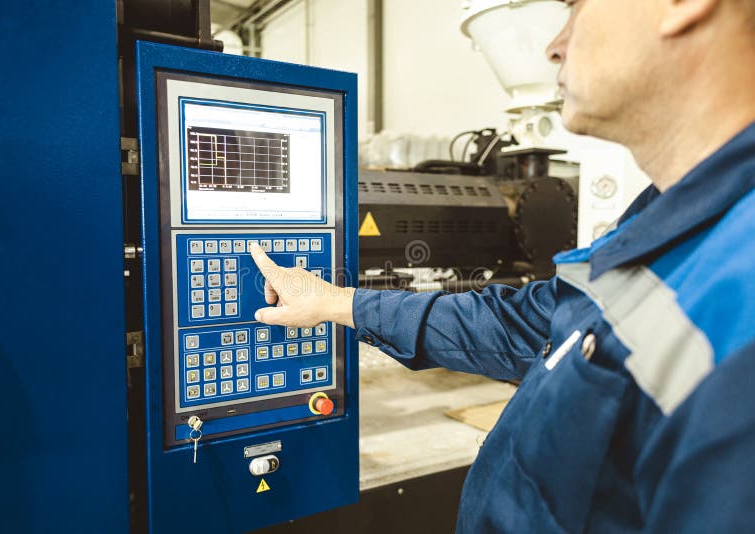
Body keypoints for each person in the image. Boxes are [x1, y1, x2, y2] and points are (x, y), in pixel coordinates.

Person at [250, 0, 755, 531]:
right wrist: (336, 301)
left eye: (575, 8)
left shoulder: (736, 283)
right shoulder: (668, 221)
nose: (554, 46)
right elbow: (523, 325)